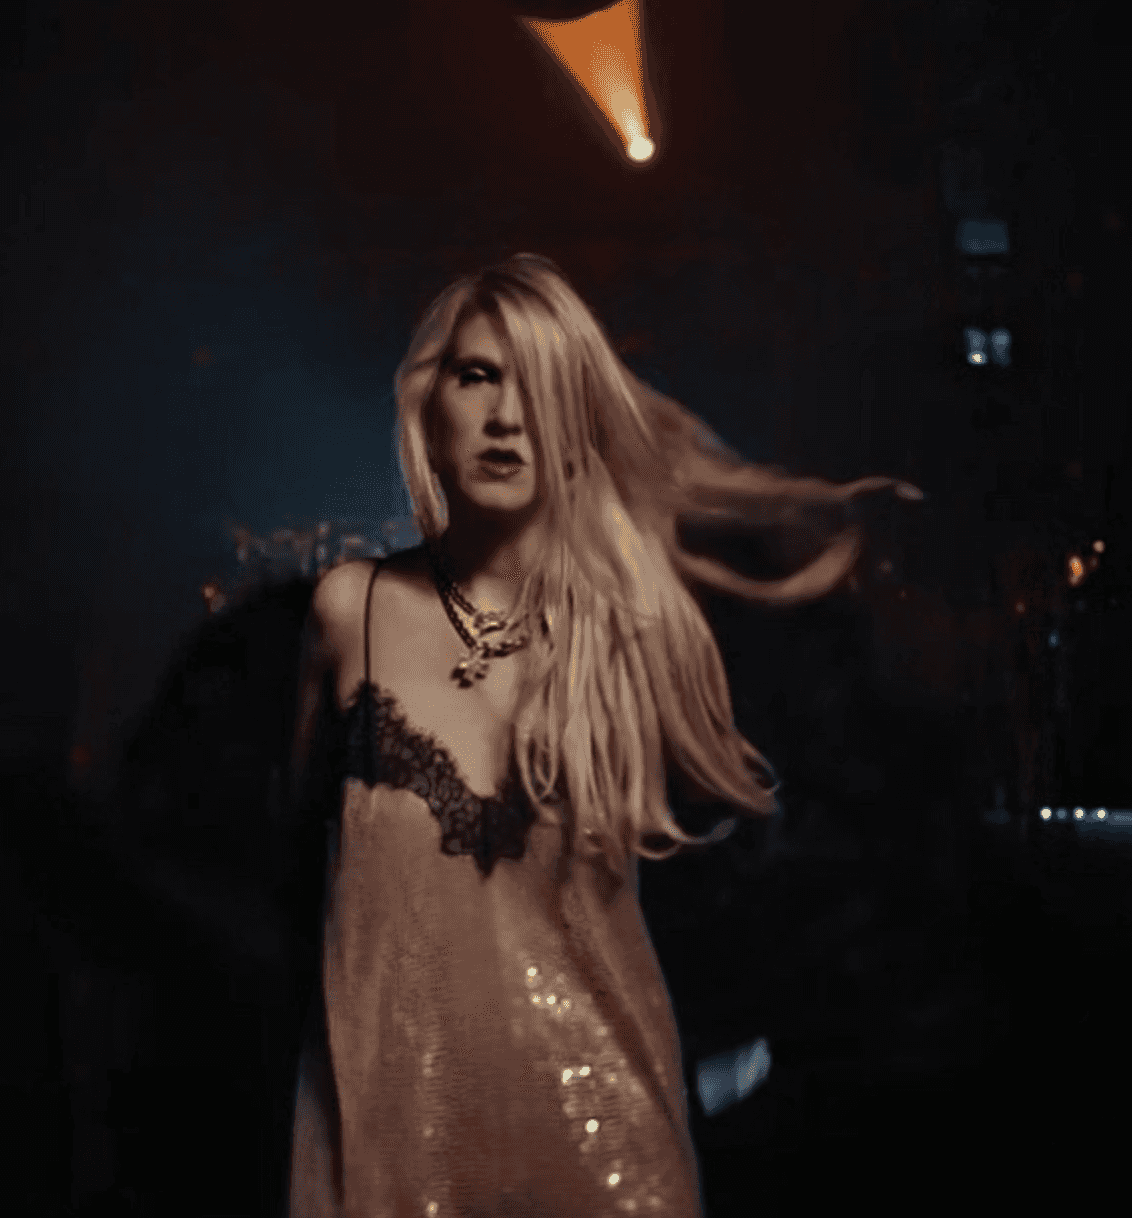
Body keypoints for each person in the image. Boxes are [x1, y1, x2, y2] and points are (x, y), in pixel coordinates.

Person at [283, 253, 919, 1215]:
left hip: (605, 1145)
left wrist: (738, 1056)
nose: (507, 417)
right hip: (392, 1139)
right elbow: (295, 869)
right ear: (430, 405)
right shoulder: (350, 612)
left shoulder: (632, 625)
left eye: (541, 389)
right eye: (478, 376)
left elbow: (773, 855)